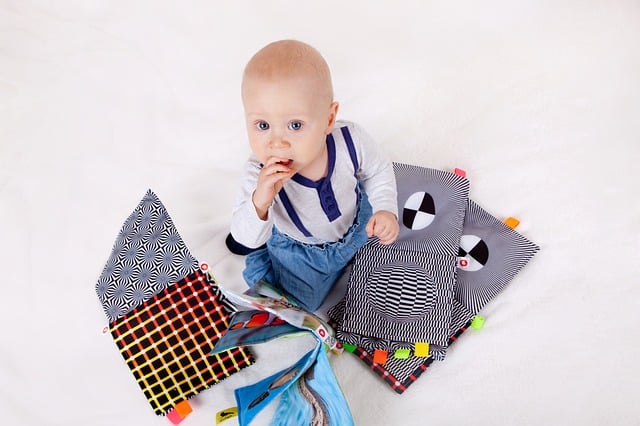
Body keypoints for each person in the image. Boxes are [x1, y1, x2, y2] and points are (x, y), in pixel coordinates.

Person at [227, 39, 399, 311]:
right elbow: (243, 237)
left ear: (329, 119)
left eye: (295, 125)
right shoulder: (258, 172)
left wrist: (386, 209)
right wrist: (260, 202)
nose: (277, 141)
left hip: (357, 224)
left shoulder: (350, 140)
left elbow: (378, 171)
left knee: (384, 264)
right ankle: (265, 258)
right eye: (262, 125)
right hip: (303, 252)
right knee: (301, 304)